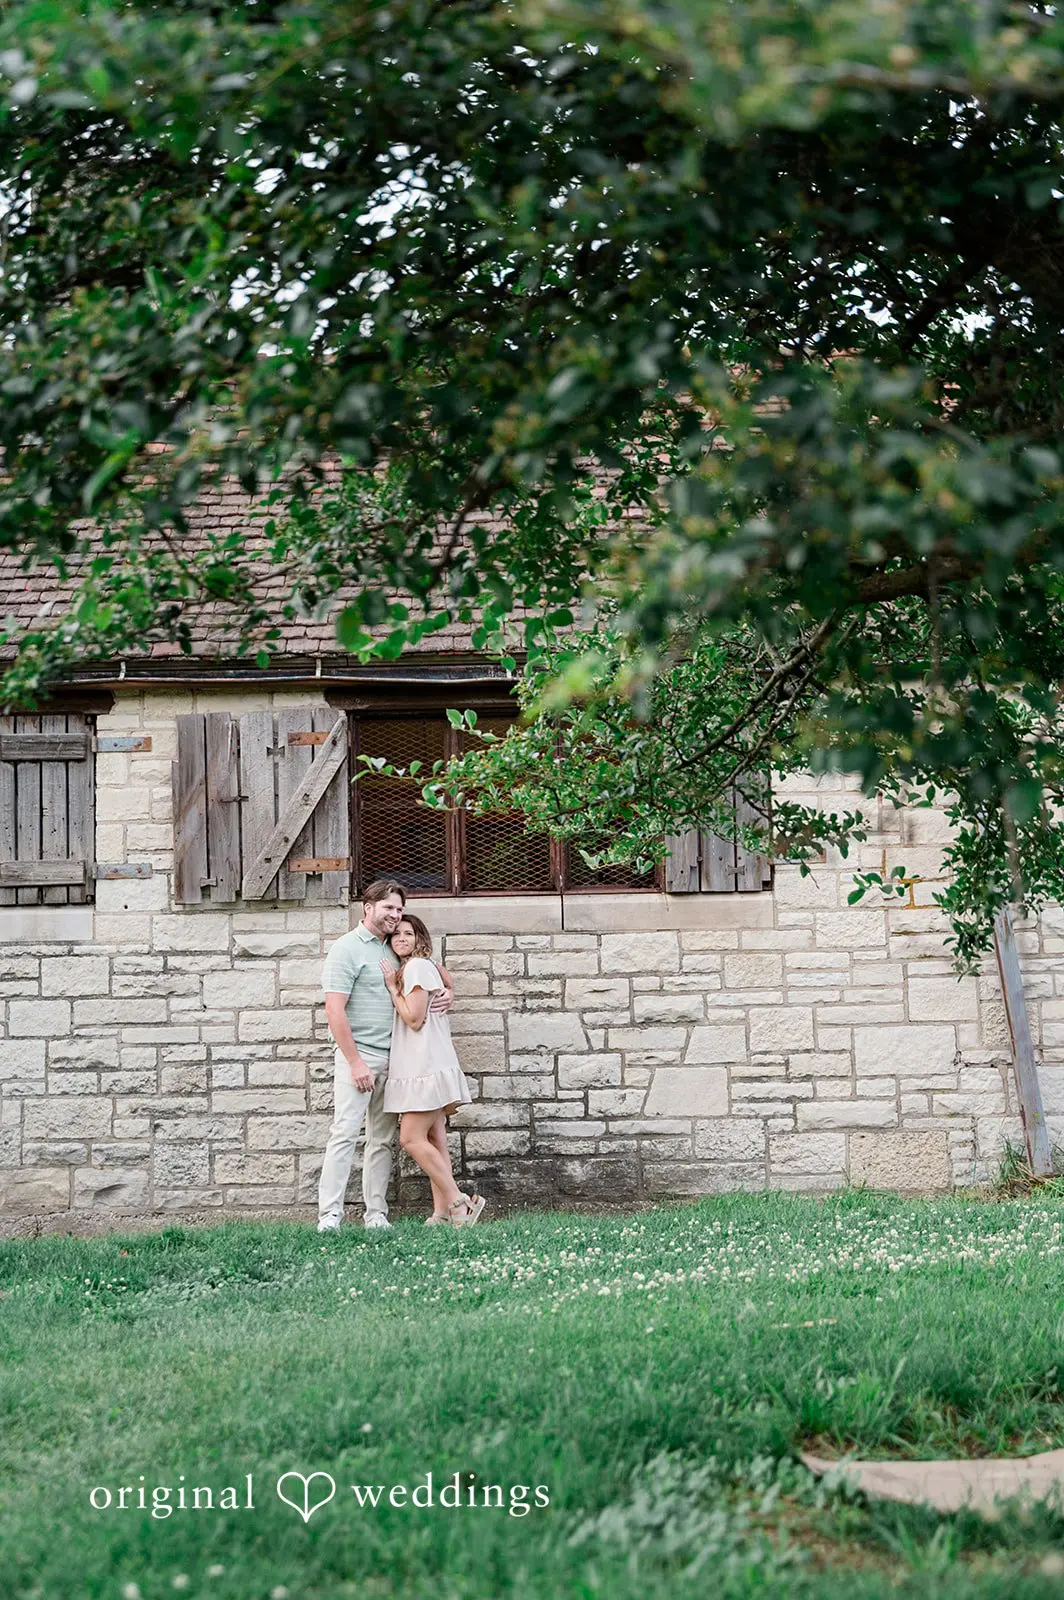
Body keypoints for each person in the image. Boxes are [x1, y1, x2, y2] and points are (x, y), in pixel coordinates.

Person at [317, 879, 453, 1232]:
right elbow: (335, 1011)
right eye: (389, 908)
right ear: (368, 908)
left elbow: (434, 971)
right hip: (359, 1057)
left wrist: (450, 992)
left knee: (381, 1140)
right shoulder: (345, 949)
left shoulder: (396, 947)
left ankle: (375, 1215)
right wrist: (355, 1061)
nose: (395, 915)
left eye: (399, 909)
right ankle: (329, 1216)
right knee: (344, 1133)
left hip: (396, 1061)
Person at [380, 913, 484, 1227]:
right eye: (395, 935)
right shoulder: (422, 967)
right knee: (436, 1138)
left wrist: (392, 989)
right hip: (427, 1062)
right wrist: (449, 989)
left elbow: (414, 1018)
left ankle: (458, 1202)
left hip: (425, 1064)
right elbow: (445, 978)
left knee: (411, 1138)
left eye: (408, 934)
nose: (400, 939)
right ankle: (441, 1214)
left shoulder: (415, 967)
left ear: (419, 939)